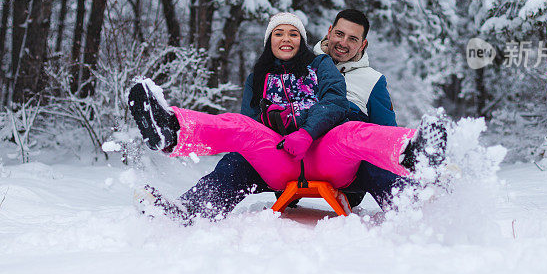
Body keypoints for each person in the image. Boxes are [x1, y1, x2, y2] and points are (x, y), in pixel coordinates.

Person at [128, 12, 447, 224]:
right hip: (281, 156)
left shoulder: (353, 76)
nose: (343, 43)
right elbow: (248, 122)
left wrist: (310, 128)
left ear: (362, 44)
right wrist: (277, 123)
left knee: (356, 133)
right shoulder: (265, 74)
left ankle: (414, 174)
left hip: (337, 154)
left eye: (353, 39)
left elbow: (349, 110)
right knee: (241, 139)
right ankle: (171, 132)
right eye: (340, 35)